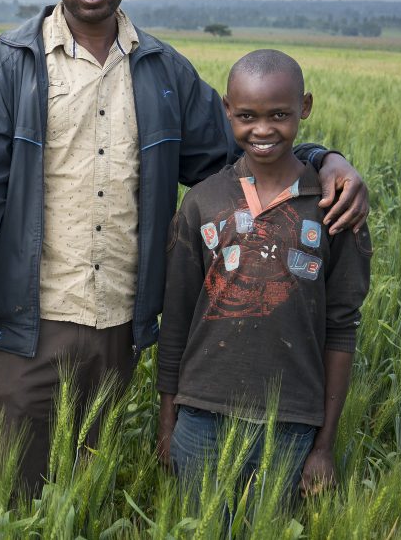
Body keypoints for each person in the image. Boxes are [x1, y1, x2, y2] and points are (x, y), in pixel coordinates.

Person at [0, 0, 369, 493]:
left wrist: (324, 160)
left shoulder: (163, 73)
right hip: (24, 330)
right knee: (12, 498)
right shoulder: (10, 68)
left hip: (119, 333)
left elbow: (241, 151)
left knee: (85, 495)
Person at [155, 49, 371, 505]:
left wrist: (325, 446)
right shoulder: (201, 202)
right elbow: (175, 321)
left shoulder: (335, 207)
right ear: (228, 112)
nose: (263, 129)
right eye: (247, 116)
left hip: (291, 425)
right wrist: (168, 420)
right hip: (200, 418)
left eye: (279, 114)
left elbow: (341, 329)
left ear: (305, 108)